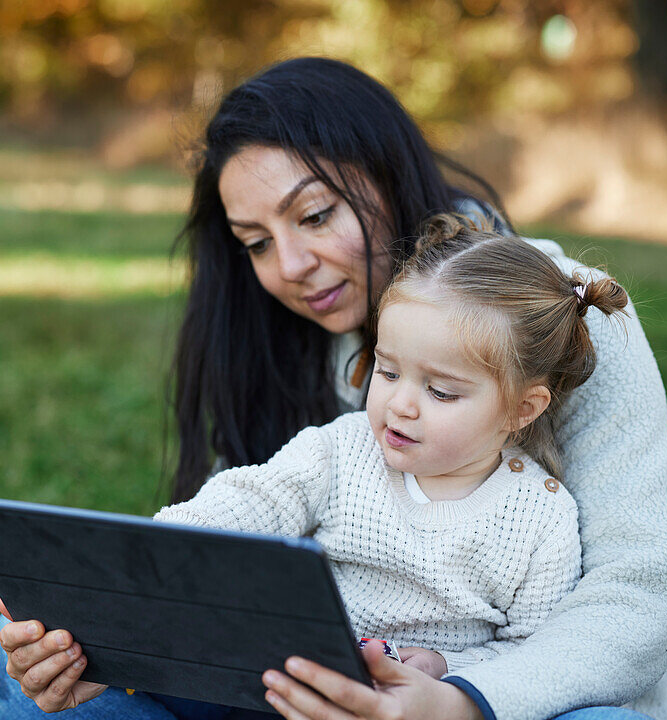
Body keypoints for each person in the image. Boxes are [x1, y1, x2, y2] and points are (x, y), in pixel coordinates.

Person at [0, 57, 667, 720]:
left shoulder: (568, 318)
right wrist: (120, 623)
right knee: (17, 657)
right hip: (308, 692)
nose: (288, 268)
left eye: (314, 216)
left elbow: (631, 597)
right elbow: (249, 512)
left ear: (390, 172)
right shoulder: (302, 352)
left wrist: (461, 702)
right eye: (254, 241)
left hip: (516, 705)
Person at [155, 213, 618, 681]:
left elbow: (534, 653)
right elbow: (259, 499)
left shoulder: (540, 520)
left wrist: (446, 667)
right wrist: (170, 537)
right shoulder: (343, 450)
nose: (400, 405)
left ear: (523, 408)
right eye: (388, 371)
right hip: (296, 679)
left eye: (440, 391)